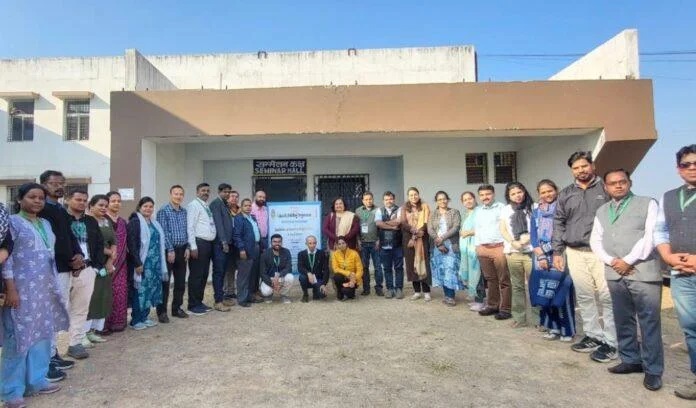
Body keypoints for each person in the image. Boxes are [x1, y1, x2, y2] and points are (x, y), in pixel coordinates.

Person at [590, 169, 663, 391]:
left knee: (649, 321)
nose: (618, 186)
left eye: (622, 181)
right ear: (606, 187)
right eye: (613, 183)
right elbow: (595, 240)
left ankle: (653, 370)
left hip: (643, 270)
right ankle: (630, 359)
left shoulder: (647, 203)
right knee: (622, 318)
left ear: (629, 183)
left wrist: (628, 260)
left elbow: (650, 236)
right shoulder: (602, 210)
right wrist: (612, 261)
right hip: (614, 271)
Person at [1, 183, 69, 407]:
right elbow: (7, 258)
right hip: (21, 291)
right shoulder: (12, 223)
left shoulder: (45, 223)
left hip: (44, 290)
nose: (38, 201)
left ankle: (36, 381)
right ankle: (11, 390)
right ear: (19, 199)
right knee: (18, 338)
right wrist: (11, 288)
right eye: (32, 197)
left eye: (41, 198)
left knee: (41, 335)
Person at [552, 151, 616, 362]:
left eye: (584, 166)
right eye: (576, 168)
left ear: (593, 166)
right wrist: (557, 251)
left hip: (602, 253)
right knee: (585, 295)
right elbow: (559, 222)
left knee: (607, 297)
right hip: (575, 252)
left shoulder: (606, 188)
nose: (581, 170)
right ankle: (593, 336)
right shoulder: (566, 193)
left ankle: (612, 342)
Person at [654, 144, 696, 400]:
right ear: (678, 169)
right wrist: (668, 256)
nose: (692, 168)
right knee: (691, 328)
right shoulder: (669, 197)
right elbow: (660, 231)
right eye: (686, 164)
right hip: (681, 274)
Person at [39, 170, 84, 379]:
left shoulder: (60, 209)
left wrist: (78, 255)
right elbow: (48, 242)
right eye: (54, 183)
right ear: (43, 184)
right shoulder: (42, 210)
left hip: (65, 267)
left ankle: (53, 353)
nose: (59, 187)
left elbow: (69, 236)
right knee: (47, 314)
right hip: (50, 268)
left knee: (58, 311)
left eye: (61, 183)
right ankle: (44, 360)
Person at [529, 180, 576, 341]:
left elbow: (565, 233)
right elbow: (533, 235)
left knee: (562, 292)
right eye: (543, 192)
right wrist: (540, 254)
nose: (547, 194)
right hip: (540, 258)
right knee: (544, 292)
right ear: (539, 194)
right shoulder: (536, 211)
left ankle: (567, 330)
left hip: (559, 254)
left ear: (556, 190)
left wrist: (547, 248)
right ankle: (552, 327)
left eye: (550, 191)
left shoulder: (563, 208)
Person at [65, 189, 105, 358]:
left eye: (84, 200)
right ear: (68, 200)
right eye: (78, 199)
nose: (81, 202)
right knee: (59, 308)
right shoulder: (61, 219)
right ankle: (52, 351)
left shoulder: (90, 221)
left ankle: (75, 343)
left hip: (87, 269)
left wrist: (96, 267)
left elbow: (99, 244)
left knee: (81, 309)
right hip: (64, 270)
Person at [499, 182, 538, 327]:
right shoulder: (506, 210)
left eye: (519, 192)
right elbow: (503, 229)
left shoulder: (534, 207)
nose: (517, 196)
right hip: (513, 252)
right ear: (508, 196)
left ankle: (539, 319)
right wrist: (513, 242)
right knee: (517, 286)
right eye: (513, 194)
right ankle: (519, 318)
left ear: (524, 192)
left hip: (531, 252)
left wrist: (529, 237)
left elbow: (539, 226)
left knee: (534, 286)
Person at [127, 197, 167, 330]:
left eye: (151, 206)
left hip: (154, 264)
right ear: (139, 207)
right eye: (145, 206)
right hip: (143, 263)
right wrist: (137, 263)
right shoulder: (135, 222)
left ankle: (144, 316)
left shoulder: (154, 223)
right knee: (140, 291)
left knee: (150, 290)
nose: (148, 209)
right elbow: (132, 245)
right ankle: (136, 319)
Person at [474, 185, 511, 320]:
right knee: (490, 279)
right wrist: (477, 247)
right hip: (483, 248)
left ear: (493, 194)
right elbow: (477, 229)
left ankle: (505, 309)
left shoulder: (502, 208)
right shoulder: (478, 210)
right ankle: (493, 305)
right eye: (482, 195)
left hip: (499, 248)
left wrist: (506, 246)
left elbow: (507, 228)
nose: (485, 197)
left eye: (488, 194)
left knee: (504, 280)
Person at [156, 185, 190, 322]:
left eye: (181, 194)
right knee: (165, 283)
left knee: (180, 282)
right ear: (171, 194)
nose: (178, 196)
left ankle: (177, 308)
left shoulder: (184, 212)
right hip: (168, 251)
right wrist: (170, 249)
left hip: (183, 250)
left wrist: (188, 247)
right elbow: (163, 232)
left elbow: (188, 230)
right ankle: (162, 312)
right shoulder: (163, 211)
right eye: (176, 194)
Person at [83, 195, 114, 343]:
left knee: (102, 297)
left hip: (105, 265)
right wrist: (108, 252)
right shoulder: (86, 222)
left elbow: (114, 242)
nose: (104, 208)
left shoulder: (106, 221)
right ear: (91, 206)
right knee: (89, 298)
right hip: (92, 264)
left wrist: (110, 260)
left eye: (105, 206)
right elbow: (90, 244)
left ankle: (93, 330)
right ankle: (82, 333)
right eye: (100, 205)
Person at [427, 191, 462, 306]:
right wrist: (439, 242)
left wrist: (441, 238)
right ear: (436, 201)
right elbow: (430, 229)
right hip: (437, 246)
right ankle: (447, 295)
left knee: (450, 269)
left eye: (444, 199)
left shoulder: (454, 212)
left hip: (451, 245)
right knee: (441, 270)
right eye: (439, 199)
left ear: (448, 199)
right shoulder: (433, 214)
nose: (442, 201)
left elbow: (456, 227)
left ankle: (450, 296)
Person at [186, 183, 217, 315]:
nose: (206, 193)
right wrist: (193, 246)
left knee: (204, 275)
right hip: (198, 244)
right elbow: (190, 227)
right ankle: (192, 305)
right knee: (196, 275)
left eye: (207, 191)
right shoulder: (193, 205)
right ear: (197, 192)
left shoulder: (205, 205)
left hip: (207, 244)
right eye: (203, 190)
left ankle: (199, 302)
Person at [401, 187, 432, 301]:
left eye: (415, 194)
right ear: (408, 197)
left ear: (418, 195)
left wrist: (420, 231)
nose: (413, 197)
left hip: (422, 238)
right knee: (411, 264)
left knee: (424, 264)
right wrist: (413, 231)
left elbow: (427, 222)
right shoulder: (404, 208)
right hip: (409, 239)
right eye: (411, 195)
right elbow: (403, 222)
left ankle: (427, 291)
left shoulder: (425, 206)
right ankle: (417, 291)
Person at [104, 191, 129, 333]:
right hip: (106, 263)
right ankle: (103, 325)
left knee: (120, 293)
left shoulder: (122, 222)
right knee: (106, 293)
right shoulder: (102, 220)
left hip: (122, 264)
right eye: (113, 201)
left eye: (119, 201)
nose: (116, 203)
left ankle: (118, 323)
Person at [458, 192, 485, 312]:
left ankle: (480, 301)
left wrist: (469, 232)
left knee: (477, 273)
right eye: (465, 200)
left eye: (470, 198)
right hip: (466, 248)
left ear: (474, 199)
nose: (468, 201)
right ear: (462, 202)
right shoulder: (465, 214)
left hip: (476, 246)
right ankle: (475, 297)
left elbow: (484, 228)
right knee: (470, 273)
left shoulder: (480, 211)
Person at [375, 191, 404, 299]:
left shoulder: (399, 209)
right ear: (383, 201)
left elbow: (399, 221)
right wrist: (391, 226)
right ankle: (390, 289)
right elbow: (378, 223)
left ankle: (399, 289)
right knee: (387, 268)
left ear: (394, 199)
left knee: (399, 267)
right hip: (384, 244)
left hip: (397, 244)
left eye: (390, 199)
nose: (389, 201)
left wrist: (384, 223)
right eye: (386, 199)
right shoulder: (379, 210)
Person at [232, 198, 261, 308]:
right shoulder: (239, 218)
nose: (248, 207)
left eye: (249, 206)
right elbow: (237, 236)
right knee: (243, 276)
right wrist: (241, 249)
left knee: (252, 275)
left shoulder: (252, 218)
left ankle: (249, 296)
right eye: (246, 206)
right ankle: (242, 299)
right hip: (245, 250)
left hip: (255, 248)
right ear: (241, 207)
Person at [210, 183, 233, 312]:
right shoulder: (216, 204)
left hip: (226, 244)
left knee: (223, 272)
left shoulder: (224, 204)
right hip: (219, 244)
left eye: (229, 192)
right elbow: (218, 223)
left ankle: (221, 297)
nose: (227, 194)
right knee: (218, 272)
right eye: (225, 191)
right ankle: (218, 301)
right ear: (219, 192)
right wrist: (224, 241)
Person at [356, 192, 382, 296]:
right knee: (364, 267)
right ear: (363, 201)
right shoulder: (358, 211)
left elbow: (381, 226)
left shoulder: (378, 210)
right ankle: (366, 288)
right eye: (366, 199)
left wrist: (379, 239)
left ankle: (379, 288)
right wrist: (358, 240)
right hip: (363, 243)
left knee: (378, 267)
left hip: (375, 243)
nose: (368, 201)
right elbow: (356, 227)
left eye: (370, 199)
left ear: (373, 199)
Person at [259, 234, 295, 303]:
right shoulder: (265, 254)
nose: (277, 244)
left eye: (279, 241)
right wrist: (272, 283)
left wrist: (279, 275)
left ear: (282, 242)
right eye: (275, 242)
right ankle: (268, 296)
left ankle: (284, 295)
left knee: (290, 277)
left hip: (281, 277)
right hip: (269, 278)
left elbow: (288, 267)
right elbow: (262, 273)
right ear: (271, 243)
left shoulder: (286, 252)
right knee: (266, 291)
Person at [297, 235, 329, 302]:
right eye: (310, 243)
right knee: (302, 277)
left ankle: (315, 291)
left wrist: (324, 284)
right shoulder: (301, 254)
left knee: (322, 295)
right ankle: (305, 294)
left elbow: (326, 269)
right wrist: (308, 273)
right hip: (307, 278)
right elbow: (300, 267)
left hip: (318, 279)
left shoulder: (321, 253)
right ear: (306, 244)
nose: (312, 245)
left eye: (314, 243)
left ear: (316, 243)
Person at [223, 190, 241, 305]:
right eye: (232, 196)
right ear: (228, 198)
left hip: (238, 243)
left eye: (236, 196)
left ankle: (232, 290)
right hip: (228, 243)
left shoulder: (240, 211)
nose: (234, 198)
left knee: (234, 267)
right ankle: (226, 291)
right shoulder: (224, 210)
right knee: (227, 268)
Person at [332, 236, 364, 300]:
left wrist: (353, 280)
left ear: (346, 243)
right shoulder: (335, 254)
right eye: (339, 244)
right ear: (337, 245)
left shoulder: (354, 253)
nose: (341, 245)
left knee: (347, 292)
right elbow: (335, 268)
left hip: (353, 278)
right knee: (337, 276)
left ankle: (349, 292)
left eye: (343, 243)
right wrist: (348, 273)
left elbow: (360, 270)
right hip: (343, 277)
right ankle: (340, 291)